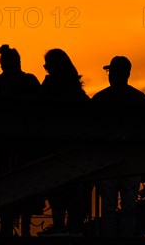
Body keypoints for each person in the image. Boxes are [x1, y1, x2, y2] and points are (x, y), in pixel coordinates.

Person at [0, 44, 43, 236]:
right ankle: (20, 228)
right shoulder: (29, 81)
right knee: (22, 188)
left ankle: (5, 227)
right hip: (24, 146)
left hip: (3, 146)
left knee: (3, 188)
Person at [92, 56, 145, 237]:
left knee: (108, 208)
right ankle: (127, 238)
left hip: (106, 161)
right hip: (132, 160)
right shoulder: (139, 99)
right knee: (129, 207)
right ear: (128, 74)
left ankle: (110, 239)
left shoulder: (100, 99)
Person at [38, 48, 92, 236]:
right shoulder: (75, 89)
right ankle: (73, 227)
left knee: (57, 189)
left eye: (47, 66)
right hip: (73, 148)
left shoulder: (49, 87)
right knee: (72, 190)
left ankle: (61, 225)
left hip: (56, 147)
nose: (46, 69)